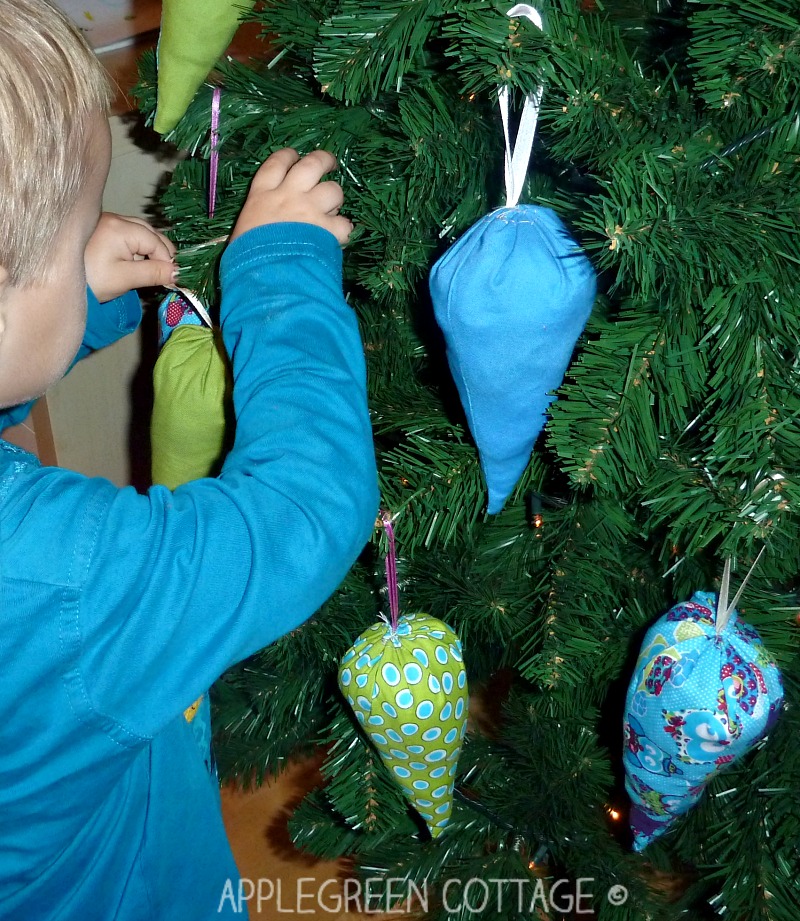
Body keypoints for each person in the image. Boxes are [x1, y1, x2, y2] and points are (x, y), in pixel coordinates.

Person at [0, 2, 379, 919]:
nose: (93, 229)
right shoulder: (59, 578)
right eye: (74, 227)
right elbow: (304, 511)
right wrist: (279, 271)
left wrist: (77, 295)